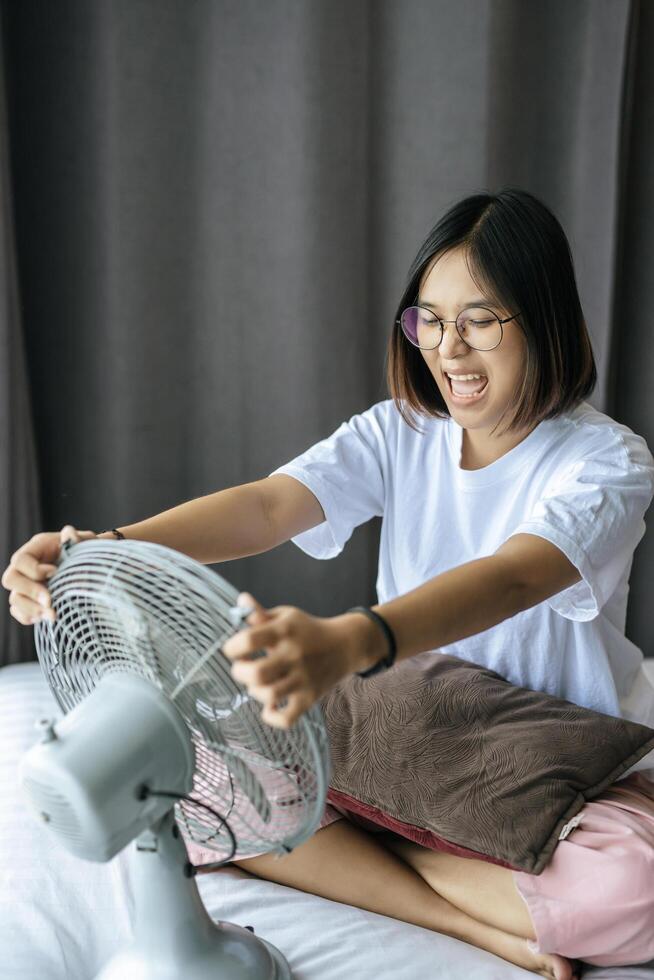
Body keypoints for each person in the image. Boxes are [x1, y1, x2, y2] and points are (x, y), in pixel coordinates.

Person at [3, 188, 654, 979]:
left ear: (545, 319)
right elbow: (270, 505)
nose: (449, 350)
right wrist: (101, 548)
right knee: (188, 793)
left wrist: (355, 640)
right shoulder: (402, 432)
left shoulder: (609, 463)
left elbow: (515, 575)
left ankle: (375, 847)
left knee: (632, 889)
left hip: (541, 763)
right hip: (400, 734)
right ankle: (466, 919)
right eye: (430, 320)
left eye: (481, 320)